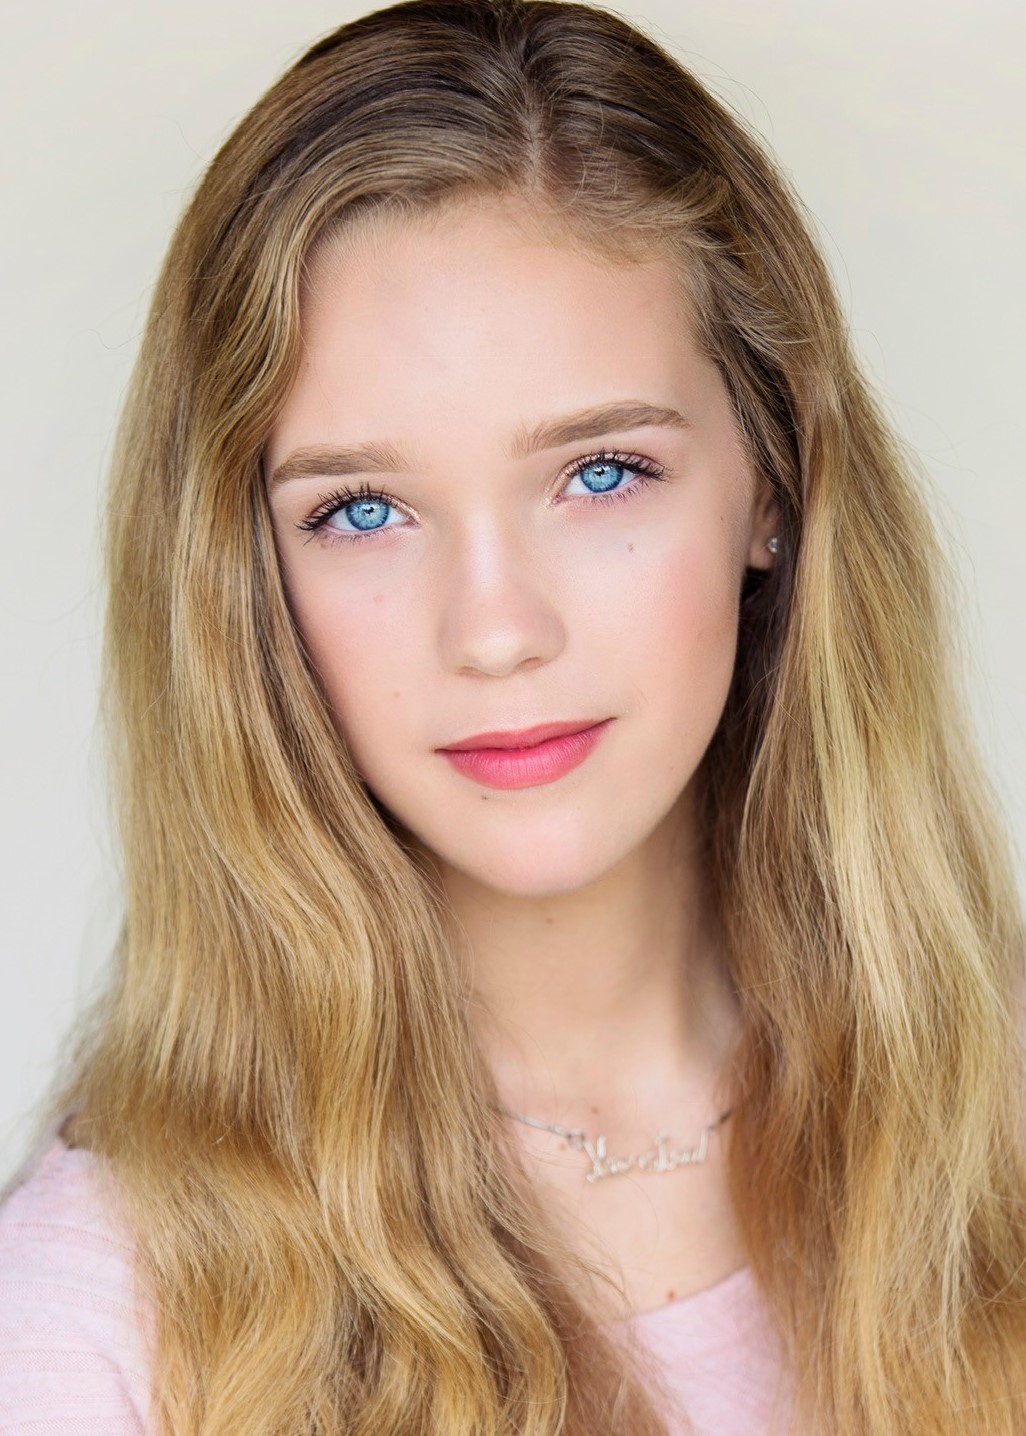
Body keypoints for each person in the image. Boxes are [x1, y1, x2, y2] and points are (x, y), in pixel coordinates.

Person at [1, 0, 1024, 1431]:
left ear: (774, 483)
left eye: (600, 474)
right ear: (245, 578)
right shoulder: (102, 1313)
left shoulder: (998, 1125)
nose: (492, 630)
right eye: (362, 510)